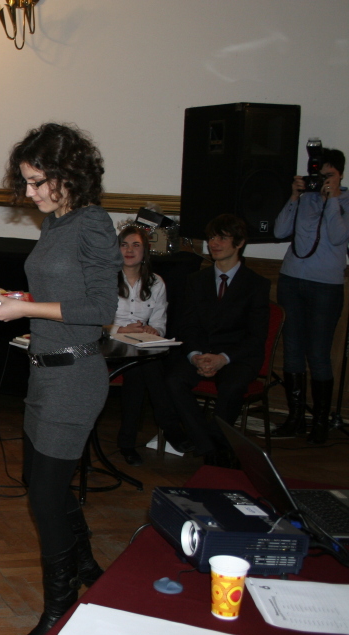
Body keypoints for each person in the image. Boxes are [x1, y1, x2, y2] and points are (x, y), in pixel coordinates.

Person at [0, 123, 120, 635]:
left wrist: (24, 309)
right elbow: (61, 292)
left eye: (38, 182)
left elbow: (99, 310)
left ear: (70, 175)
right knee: (42, 484)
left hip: (75, 378)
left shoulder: (93, 223)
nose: (30, 192)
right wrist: (15, 297)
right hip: (44, 373)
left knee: (44, 496)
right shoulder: (57, 223)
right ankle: (87, 569)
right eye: (26, 181)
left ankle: (58, 613)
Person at [161, 214, 270, 466]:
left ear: (239, 243)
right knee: (173, 380)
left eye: (222, 238)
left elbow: (256, 336)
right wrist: (195, 356)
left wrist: (223, 359)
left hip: (237, 357)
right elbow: (187, 325)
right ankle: (213, 446)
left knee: (232, 387)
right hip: (201, 352)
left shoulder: (256, 284)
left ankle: (211, 444)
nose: (214, 243)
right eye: (211, 238)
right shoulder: (196, 280)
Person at [273, 148, 349, 444]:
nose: (323, 180)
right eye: (320, 175)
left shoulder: (346, 201)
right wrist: (294, 196)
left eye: (330, 175)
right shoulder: (306, 198)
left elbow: (338, 236)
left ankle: (319, 421)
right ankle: (295, 419)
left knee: (318, 354)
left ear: (340, 175)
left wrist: (332, 199)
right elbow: (280, 231)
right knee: (292, 350)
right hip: (291, 280)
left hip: (325, 286)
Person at [109, 224, 169, 466]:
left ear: (145, 251)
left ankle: (127, 443)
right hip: (111, 344)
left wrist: (154, 330)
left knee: (143, 366)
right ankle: (169, 424)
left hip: (141, 345)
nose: (129, 250)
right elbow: (95, 322)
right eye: (124, 245)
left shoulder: (156, 282)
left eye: (136, 245)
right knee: (142, 368)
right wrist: (121, 330)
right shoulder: (105, 278)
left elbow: (160, 323)